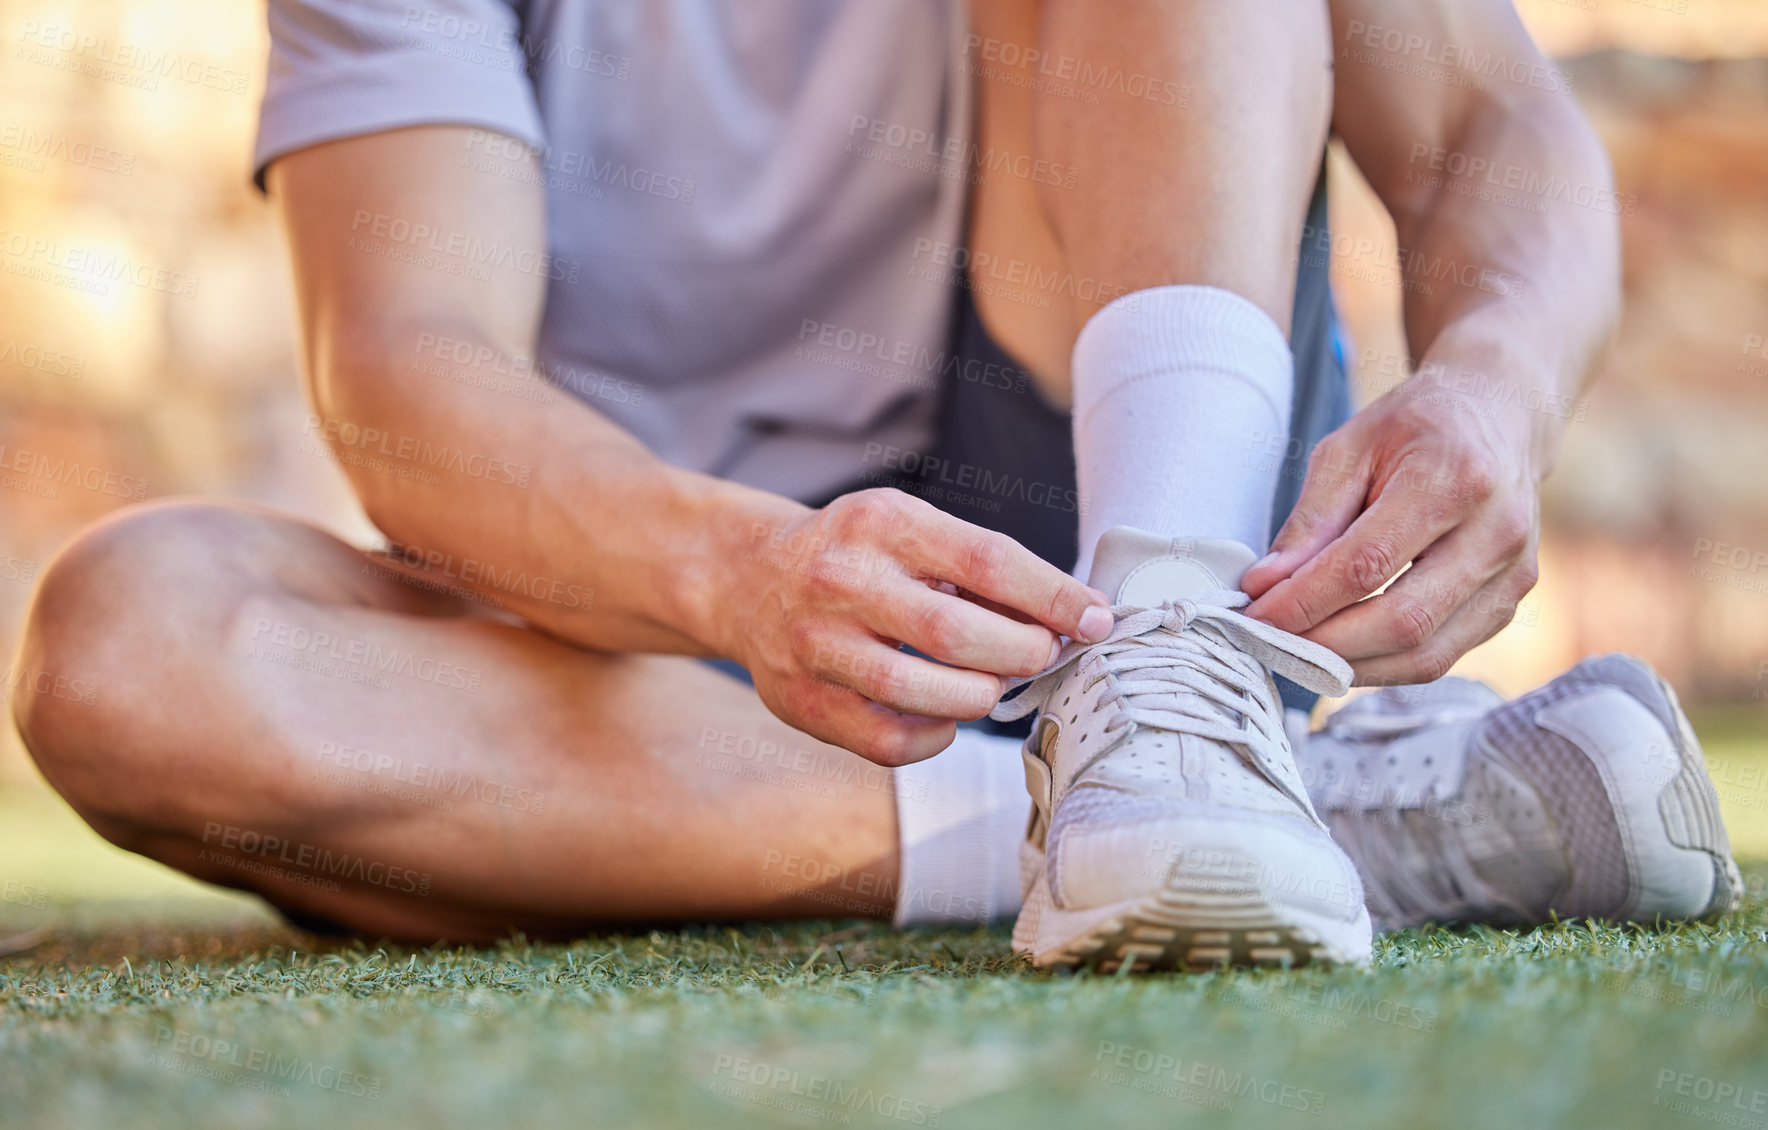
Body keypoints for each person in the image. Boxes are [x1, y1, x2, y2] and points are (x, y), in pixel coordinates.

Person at [11, 0, 1737, 969]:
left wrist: (1493, 399)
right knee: (123, 652)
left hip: (1113, 521)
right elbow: (407, 371)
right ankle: (1264, 808)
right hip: (668, 642)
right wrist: (743, 574)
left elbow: (1489, 134)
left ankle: (1169, 693)